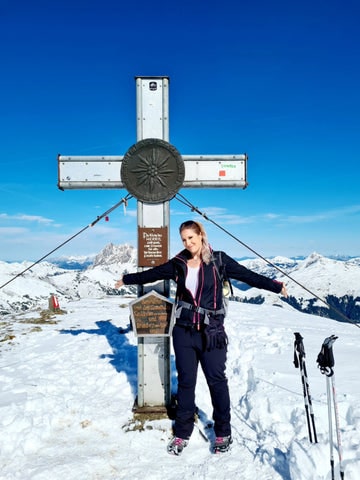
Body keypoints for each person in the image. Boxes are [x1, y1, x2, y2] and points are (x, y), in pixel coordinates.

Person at [115, 220, 288, 455]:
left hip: (212, 333)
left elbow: (248, 276)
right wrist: (127, 279)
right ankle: (182, 433)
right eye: (184, 239)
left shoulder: (219, 260)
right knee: (186, 383)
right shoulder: (178, 263)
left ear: (201, 235)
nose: (188, 243)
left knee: (216, 381)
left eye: (191, 238)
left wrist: (276, 287)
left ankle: (223, 432)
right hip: (184, 331)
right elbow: (153, 274)